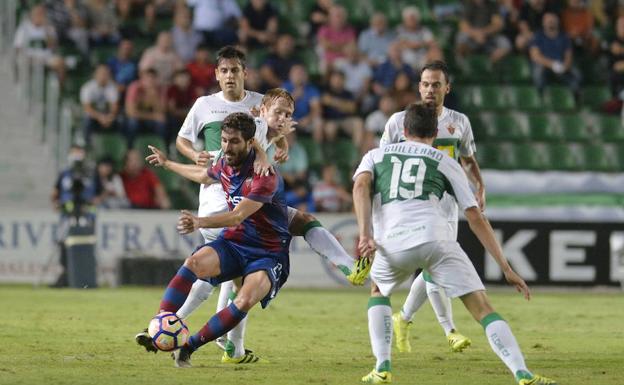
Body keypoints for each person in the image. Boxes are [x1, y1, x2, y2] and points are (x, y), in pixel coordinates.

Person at [141, 46, 364, 362]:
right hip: (225, 210)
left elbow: (239, 205)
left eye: (288, 115)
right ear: (217, 74)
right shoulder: (216, 128)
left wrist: (275, 146)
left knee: (239, 283)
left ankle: (201, 337)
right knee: (218, 273)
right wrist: (172, 162)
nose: (283, 118)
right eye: (225, 70)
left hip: (253, 222)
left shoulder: (262, 159)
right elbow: (205, 172)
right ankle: (178, 328)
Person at [353, 102, 557, 385]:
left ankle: (382, 367)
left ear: (403, 129)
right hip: (436, 239)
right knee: (482, 309)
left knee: (378, 291)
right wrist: (506, 267)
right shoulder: (445, 161)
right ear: (435, 131)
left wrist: (365, 234)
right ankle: (522, 373)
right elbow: (475, 217)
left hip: (392, 244)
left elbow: (360, 187)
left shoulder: (374, 155)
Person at [147, 112, 292, 368]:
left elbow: (237, 216)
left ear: (250, 143)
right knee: (193, 262)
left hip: (267, 252)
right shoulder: (225, 163)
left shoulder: (264, 176)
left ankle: (189, 347)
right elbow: (204, 175)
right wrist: (168, 163)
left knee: (244, 300)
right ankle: (162, 322)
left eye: (234, 141)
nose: (226, 147)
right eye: (224, 140)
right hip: (236, 243)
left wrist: (200, 222)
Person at [380, 61, 485, 354]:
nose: (430, 89)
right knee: (433, 265)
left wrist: (480, 185)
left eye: (436, 84)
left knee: (432, 267)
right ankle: (448, 330)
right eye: (425, 83)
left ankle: (405, 317)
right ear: (419, 86)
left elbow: (467, 158)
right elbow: (381, 160)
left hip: (446, 205)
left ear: (447, 88)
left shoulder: (459, 122)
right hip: (408, 204)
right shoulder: (397, 122)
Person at [50, 144, 96, 287]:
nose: (77, 157)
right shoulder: (64, 174)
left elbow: (100, 193)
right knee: (64, 243)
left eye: (79, 153)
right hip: (67, 214)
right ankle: (64, 276)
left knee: (86, 243)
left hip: (86, 214)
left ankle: (87, 277)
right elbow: (55, 192)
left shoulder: (91, 174)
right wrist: (57, 203)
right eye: (74, 153)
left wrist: (92, 202)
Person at [528, 12, 582, 99]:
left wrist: (564, 66)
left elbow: (568, 56)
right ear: (543, 22)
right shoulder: (537, 36)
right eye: (548, 20)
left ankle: (575, 97)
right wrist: (552, 64)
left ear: (558, 22)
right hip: (545, 65)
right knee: (538, 71)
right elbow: (535, 56)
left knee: (576, 73)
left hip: (561, 65)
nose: (551, 22)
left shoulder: (564, 37)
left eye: (552, 20)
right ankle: (540, 96)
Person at [80, 64, 120, 145]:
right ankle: (87, 145)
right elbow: (87, 108)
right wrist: (100, 117)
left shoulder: (112, 87)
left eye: (106, 74)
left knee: (122, 121)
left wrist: (110, 116)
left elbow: (114, 107)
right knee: (87, 121)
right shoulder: (87, 88)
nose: (103, 76)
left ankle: (125, 148)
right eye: (101, 73)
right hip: (94, 117)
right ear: (95, 75)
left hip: (108, 117)